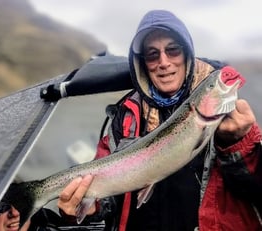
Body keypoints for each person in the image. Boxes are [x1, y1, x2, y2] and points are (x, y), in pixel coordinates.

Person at [57, 10, 262, 231]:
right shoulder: (125, 116)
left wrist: (238, 144)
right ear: (142, 63)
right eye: (152, 54)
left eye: (173, 50)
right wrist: (90, 207)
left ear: (187, 54)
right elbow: (112, 197)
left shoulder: (231, 118)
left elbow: (256, 189)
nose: (164, 62)